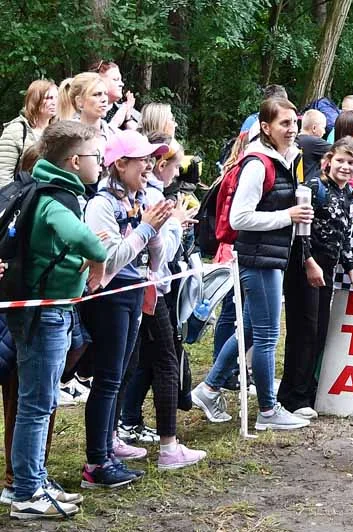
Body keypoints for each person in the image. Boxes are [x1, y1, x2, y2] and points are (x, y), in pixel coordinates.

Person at [191, 98, 313, 431]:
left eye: (294, 123)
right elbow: (239, 217)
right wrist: (286, 215)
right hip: (258, 258)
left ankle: (209, 387)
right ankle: (268, 411)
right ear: (265, 127)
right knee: (267, 335)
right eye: (284, 124)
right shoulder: (259, 164)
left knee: (247, 331)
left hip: (269, 255)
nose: (291, 130)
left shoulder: (284, 159)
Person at [6, 121, 108, 518]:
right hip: (44, 314)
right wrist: (97, 258)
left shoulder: (53, 192)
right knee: (36, 405)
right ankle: (26, 494)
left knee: (41, 402)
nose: (100, 163)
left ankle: (35, 479)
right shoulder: (54, 200)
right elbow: (84, 239)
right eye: (96, 157)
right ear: (74, 160)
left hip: (52, 310)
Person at [81, 130, 173, 488]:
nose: (149, 166)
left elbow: (154, 260)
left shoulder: (139, 200)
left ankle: (107, 450)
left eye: (151, 159)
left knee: (119, 373)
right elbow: (109, 261)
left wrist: (157, 232)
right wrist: (147, 228)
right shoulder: (101, 205)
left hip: (135, 291)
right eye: (142, 160)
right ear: (119, 164)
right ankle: (96, 462)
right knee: (106, 378)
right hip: (112, 294)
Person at [117, 134, 206, 468]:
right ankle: (167, 446)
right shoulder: (152, 198)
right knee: (163, 361)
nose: (151, 166)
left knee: (131, 363)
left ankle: (114, 437)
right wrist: (176, 227)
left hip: (144, 289)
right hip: (145, 291)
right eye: (147, 160)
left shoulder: (144, 194)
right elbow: (157, 252)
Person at [278, 138, 353, 418]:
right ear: (328, 161)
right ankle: (292, 397)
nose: (345, 167)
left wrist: (350, 269)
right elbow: (301, 231)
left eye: (351, 162)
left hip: (329, 267)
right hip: (306, 265)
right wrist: (309, 262)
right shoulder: (315, 187)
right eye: (341, 161)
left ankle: (307, 390)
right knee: (304, 330)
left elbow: (344, 233)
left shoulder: (349, 193)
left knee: (320, 330)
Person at [0, 79, 58, 185]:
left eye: (56, 98)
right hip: (24, 196)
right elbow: (3, 175)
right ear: (35, 100)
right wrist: (15, 200)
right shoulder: (16, 131)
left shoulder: (58, 131)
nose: (55, 102)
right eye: (49, 98)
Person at [60, 72, 116, 141]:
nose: (104, 99)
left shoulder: (115, 136)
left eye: (105, 93)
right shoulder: (66, 139)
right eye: (97, 94)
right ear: (79, 101)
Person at [90, 60, 139, 130]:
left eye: (121, 80)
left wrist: (128, 118)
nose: (122, 84)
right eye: (116, 79)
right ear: (98, 81)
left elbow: (142, 138)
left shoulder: (129, 111)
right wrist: (116, 121)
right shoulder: (84, 113)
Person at [296, 109, 331, 180]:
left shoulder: (297, 139)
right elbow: (340, 150)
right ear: (314, 128)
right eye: (323, 128)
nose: (324, 132)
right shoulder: (314, 141)